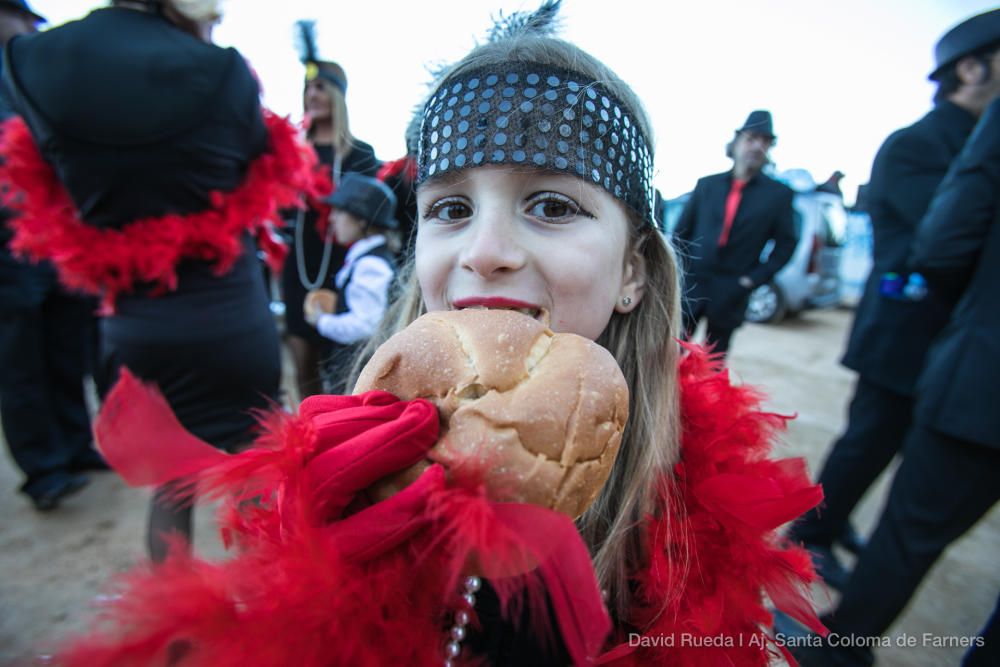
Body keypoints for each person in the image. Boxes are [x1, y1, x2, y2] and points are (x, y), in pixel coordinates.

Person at [52, 3, 824, 665]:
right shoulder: (353, 453)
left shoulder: (697, 513)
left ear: (634, 272)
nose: (483, 251)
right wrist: (317, 579)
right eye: (450, 209)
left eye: (552, 205)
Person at [0, 0, 313, 559]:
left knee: (171, 482)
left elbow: (44, 179)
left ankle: (175, 631)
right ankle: (269, 615)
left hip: (135, 324)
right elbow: (258, 168)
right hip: (229, 315)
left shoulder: (30, 58)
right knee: (257, 468)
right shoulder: (221, 71)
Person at [783, 86, 1000, 667]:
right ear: (970, 67)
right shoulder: (916, 144)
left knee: (905, 501)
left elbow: (952, 239)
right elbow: (925, 248)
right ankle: (815, 535)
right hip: (906, 339)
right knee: (866, 446)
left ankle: (831, 532)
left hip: (960, 352)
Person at [0, 0, 103, 511]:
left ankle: (76, 446)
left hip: (53, 240)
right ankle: (43, 468)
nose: (27, 29)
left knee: (67, 348)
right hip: (7, 245)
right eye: (20, 18)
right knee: (21, 360)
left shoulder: (34, 80)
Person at [282, 31, 379, 402]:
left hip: (344, 266)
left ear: (337, 95)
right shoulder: (290, 152)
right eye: (308, 88)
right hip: (298, 265)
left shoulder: (360, 155)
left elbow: (374, 215)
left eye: (322, 87)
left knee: (344, 368)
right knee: (302, 364)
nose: (313, 95)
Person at [672, 110, 797, 356]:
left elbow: (787, 244)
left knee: (713, 363)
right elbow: (681, 233)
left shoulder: (778, 195)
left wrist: (751, 279)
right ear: (737, 141)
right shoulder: (707, 185)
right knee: (670, 353)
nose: (757, 146)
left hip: (733, 289)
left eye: (764, 141)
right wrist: (681, 273)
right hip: (693, 284)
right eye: (751, 139)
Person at [303, 172, 399, 394]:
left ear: (361, 219)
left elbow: (365, 327)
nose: (331, 218)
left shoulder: (370, 265)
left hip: (357, 374)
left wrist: (322, 321)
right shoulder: (366, 259)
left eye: (339, 212)